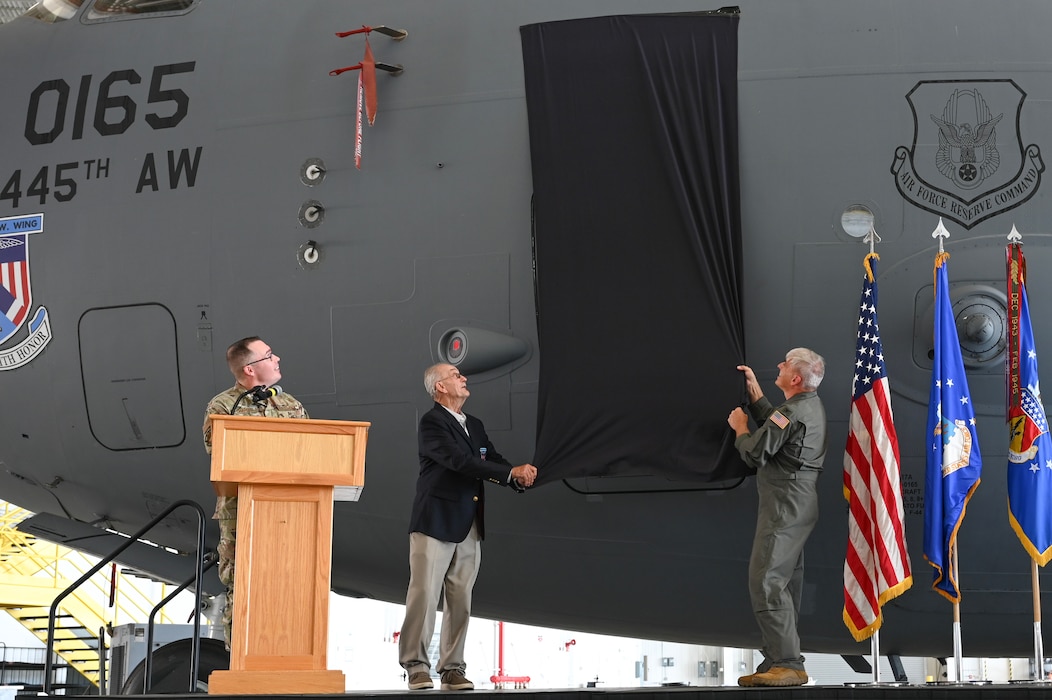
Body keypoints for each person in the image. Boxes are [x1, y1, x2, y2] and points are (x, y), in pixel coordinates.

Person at [398, 363, 537, 691]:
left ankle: (453, 670)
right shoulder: (432, 422)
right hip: (435, 521)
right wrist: (509, 473)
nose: (464, 378)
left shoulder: (473, 424)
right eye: (456, 375)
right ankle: (416, 667)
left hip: (469, 524)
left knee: (460, 599)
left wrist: (517, 477)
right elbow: (460, 462)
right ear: (440, 388)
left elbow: (490, 458)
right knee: (425, 595)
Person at [726, 348, 827, 688]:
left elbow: (756, 452)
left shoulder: (792, 411)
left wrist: (740, 428)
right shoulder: (804, 407)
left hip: (785, 505)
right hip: (797, 502)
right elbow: (777, 427)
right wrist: (755, 395)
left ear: (795, 379)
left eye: (785, 364)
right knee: (782, 582)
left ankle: (786, 664)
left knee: (766, 580)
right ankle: (778, 659)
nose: (780, 366)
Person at [202, 336, 308, 645]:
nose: (277, 359)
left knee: (289, 581)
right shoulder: (223, 406)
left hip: (288, 508)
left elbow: (311, 450)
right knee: (243, 582)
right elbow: (217, 450)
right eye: (269, 355)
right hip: (241, 510)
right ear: (250, 369)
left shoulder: (290, 405)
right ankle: (240, 658)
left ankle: (287, 652)